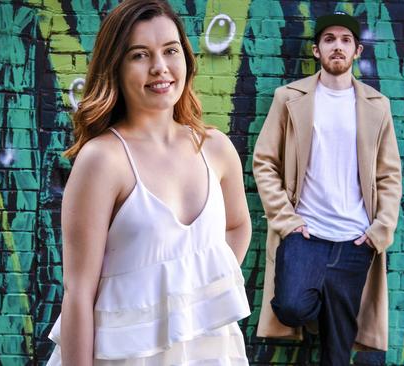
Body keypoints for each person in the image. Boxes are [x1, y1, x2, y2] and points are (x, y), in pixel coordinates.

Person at [46, 0, 252, 364]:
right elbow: (78, 292)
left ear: (186, 58)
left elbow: (237, 226)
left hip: (211, 351)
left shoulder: (215, 148)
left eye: (170, 51)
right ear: (116, 67)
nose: (160, 68)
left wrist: (196, 296)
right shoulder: (103, 159)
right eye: (140, 55)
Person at [252, 11, 402, 365]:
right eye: (329, 40)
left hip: (355, 239)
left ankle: (333, 310)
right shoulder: (288, 98)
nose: (338, 46)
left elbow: (389, 175)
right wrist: (287, 221)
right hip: (305, 234)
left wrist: (378, 231)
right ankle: (324, 300)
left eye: (345, 40)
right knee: (290, 306)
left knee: (337, 351)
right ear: (317, 50)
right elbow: (264, 161)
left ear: (357, 50)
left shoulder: (377, 106)